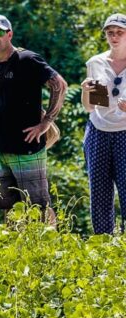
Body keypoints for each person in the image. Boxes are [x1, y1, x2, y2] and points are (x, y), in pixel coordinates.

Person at [0, 13, 67, 221]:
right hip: (1, 151)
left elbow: (59, 85)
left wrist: (46, 122)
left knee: (39, 207)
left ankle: (51, 240)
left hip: (28, 148)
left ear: (9, 34)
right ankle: (15, 243)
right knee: (9, 210)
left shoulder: (27, 59)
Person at [81, 13, 126, 235]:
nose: (114, 37)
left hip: (125, 131)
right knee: (99, 193)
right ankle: (103, 243)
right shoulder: (95, 63)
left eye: (120, 32)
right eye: (110, 33)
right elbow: (89, 107)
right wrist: (85, 91)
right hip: (98, 130)